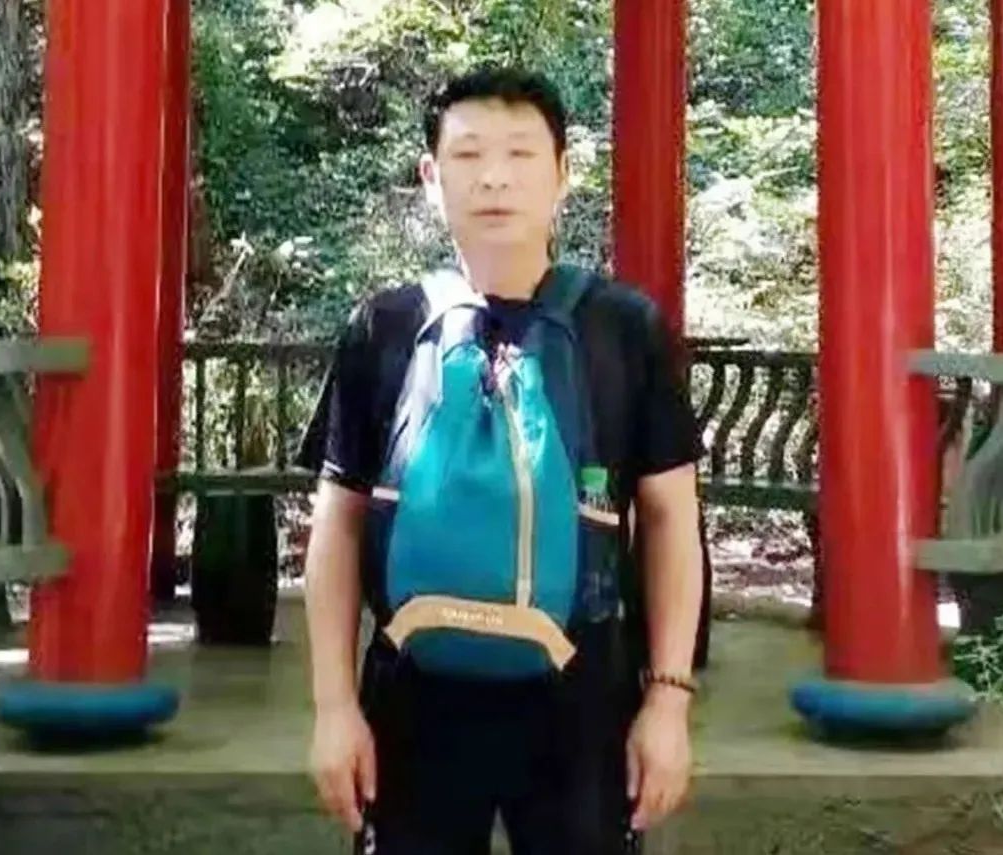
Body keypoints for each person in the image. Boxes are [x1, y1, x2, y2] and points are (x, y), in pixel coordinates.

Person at [299, 66, 704, 855]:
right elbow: (337, 523)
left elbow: (671, 521)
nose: (493, 177)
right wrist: (334, 707)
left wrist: (668, 701)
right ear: (431, 176)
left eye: (520, 153)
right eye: (468, 154)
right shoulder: (385, 326)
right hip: (413, 694)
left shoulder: (624, 329)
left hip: (581, 699)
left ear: (562, 174)